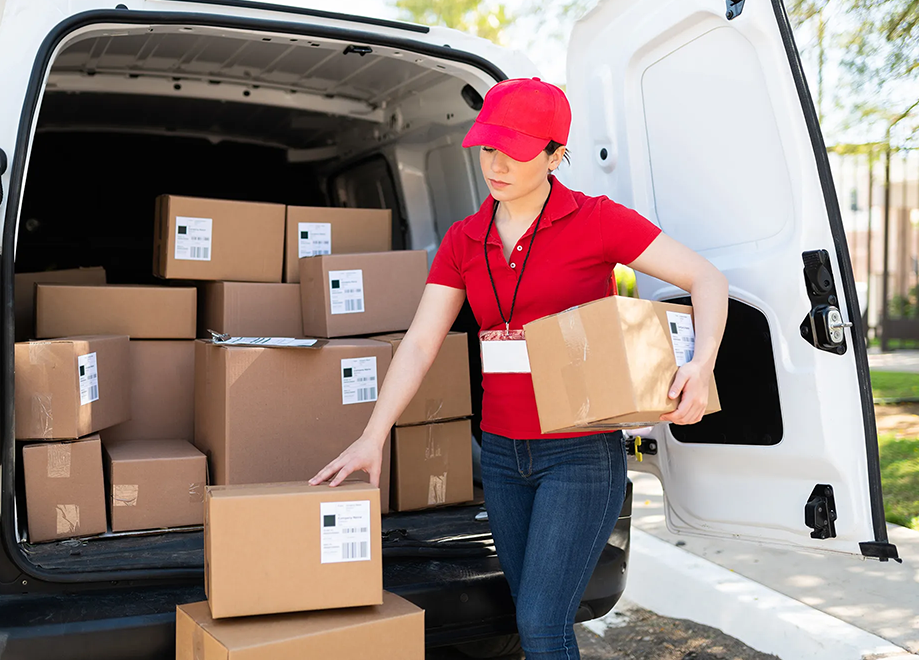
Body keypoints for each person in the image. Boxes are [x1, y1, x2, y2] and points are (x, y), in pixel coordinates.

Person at [310, 77, 729, 660]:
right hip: (503, 455)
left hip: (578, 454)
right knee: (524, 606)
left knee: (540, 621)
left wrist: (701, 362)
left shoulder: (598, 221)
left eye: (518, 149)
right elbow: (421, 342)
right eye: (488, 148)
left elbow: (707, 279)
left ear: (557, 154)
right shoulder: (463, 239)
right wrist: (372, 435)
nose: (497, 163)